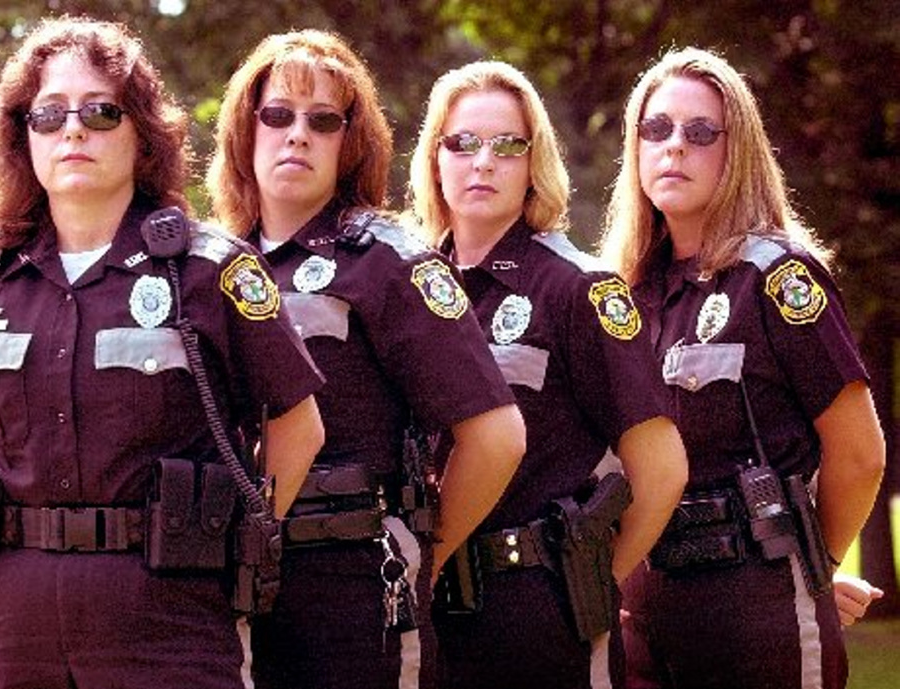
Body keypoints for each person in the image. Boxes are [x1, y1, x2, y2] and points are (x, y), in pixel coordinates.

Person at [0, 16, 325, 689]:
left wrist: (238, 533)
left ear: (141, 132)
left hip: (168, 618)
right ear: (23, 136)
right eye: (48, 114)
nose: (72, 129)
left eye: (100, 111)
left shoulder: (211, 271)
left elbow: (297, 424)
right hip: (16, 621)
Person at [205, 30, 526, 689]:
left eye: (323, 120)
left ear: (349, 142)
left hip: (351, 588)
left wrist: (423, 553)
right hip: (218, 587)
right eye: (278, 114)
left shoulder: (389, 263)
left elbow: (495, 436)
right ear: (246, 127)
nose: (297, 134)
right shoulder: (205, 266)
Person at [599, 46, 886, 689]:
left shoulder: (778, 279)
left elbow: (860, 452)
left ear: (738, 151)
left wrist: (815, 566)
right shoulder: (622, 294)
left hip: (753, 607)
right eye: (656, 129)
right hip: (641, 611)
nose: (674, 147)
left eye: (700, 133)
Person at [407, 60, 688, 689]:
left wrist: (591, 577)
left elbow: (662, 469)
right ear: (434, 159)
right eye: (463, 143)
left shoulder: (578, 291)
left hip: (538, 612)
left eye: (507, 145)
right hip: (425, 609)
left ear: (535, 162)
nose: (483, 162)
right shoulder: (408, 290)